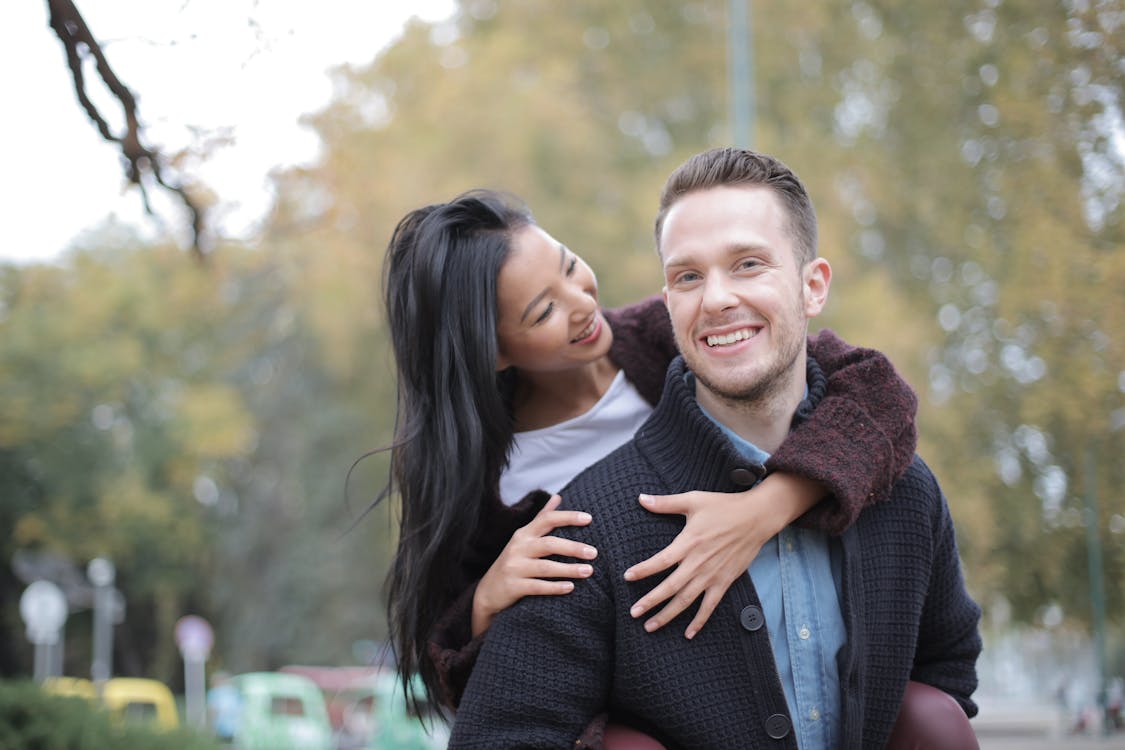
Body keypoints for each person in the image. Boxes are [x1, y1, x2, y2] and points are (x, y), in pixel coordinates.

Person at [446, 148, 983, 749]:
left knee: (932, 716)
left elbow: (949, 669)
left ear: (813, 286)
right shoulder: (577, 529)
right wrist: (477, 608)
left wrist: (770, 504)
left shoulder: (901, 487)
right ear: (669, 302)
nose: (717, 298)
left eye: (749, 263)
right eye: (688, 276)